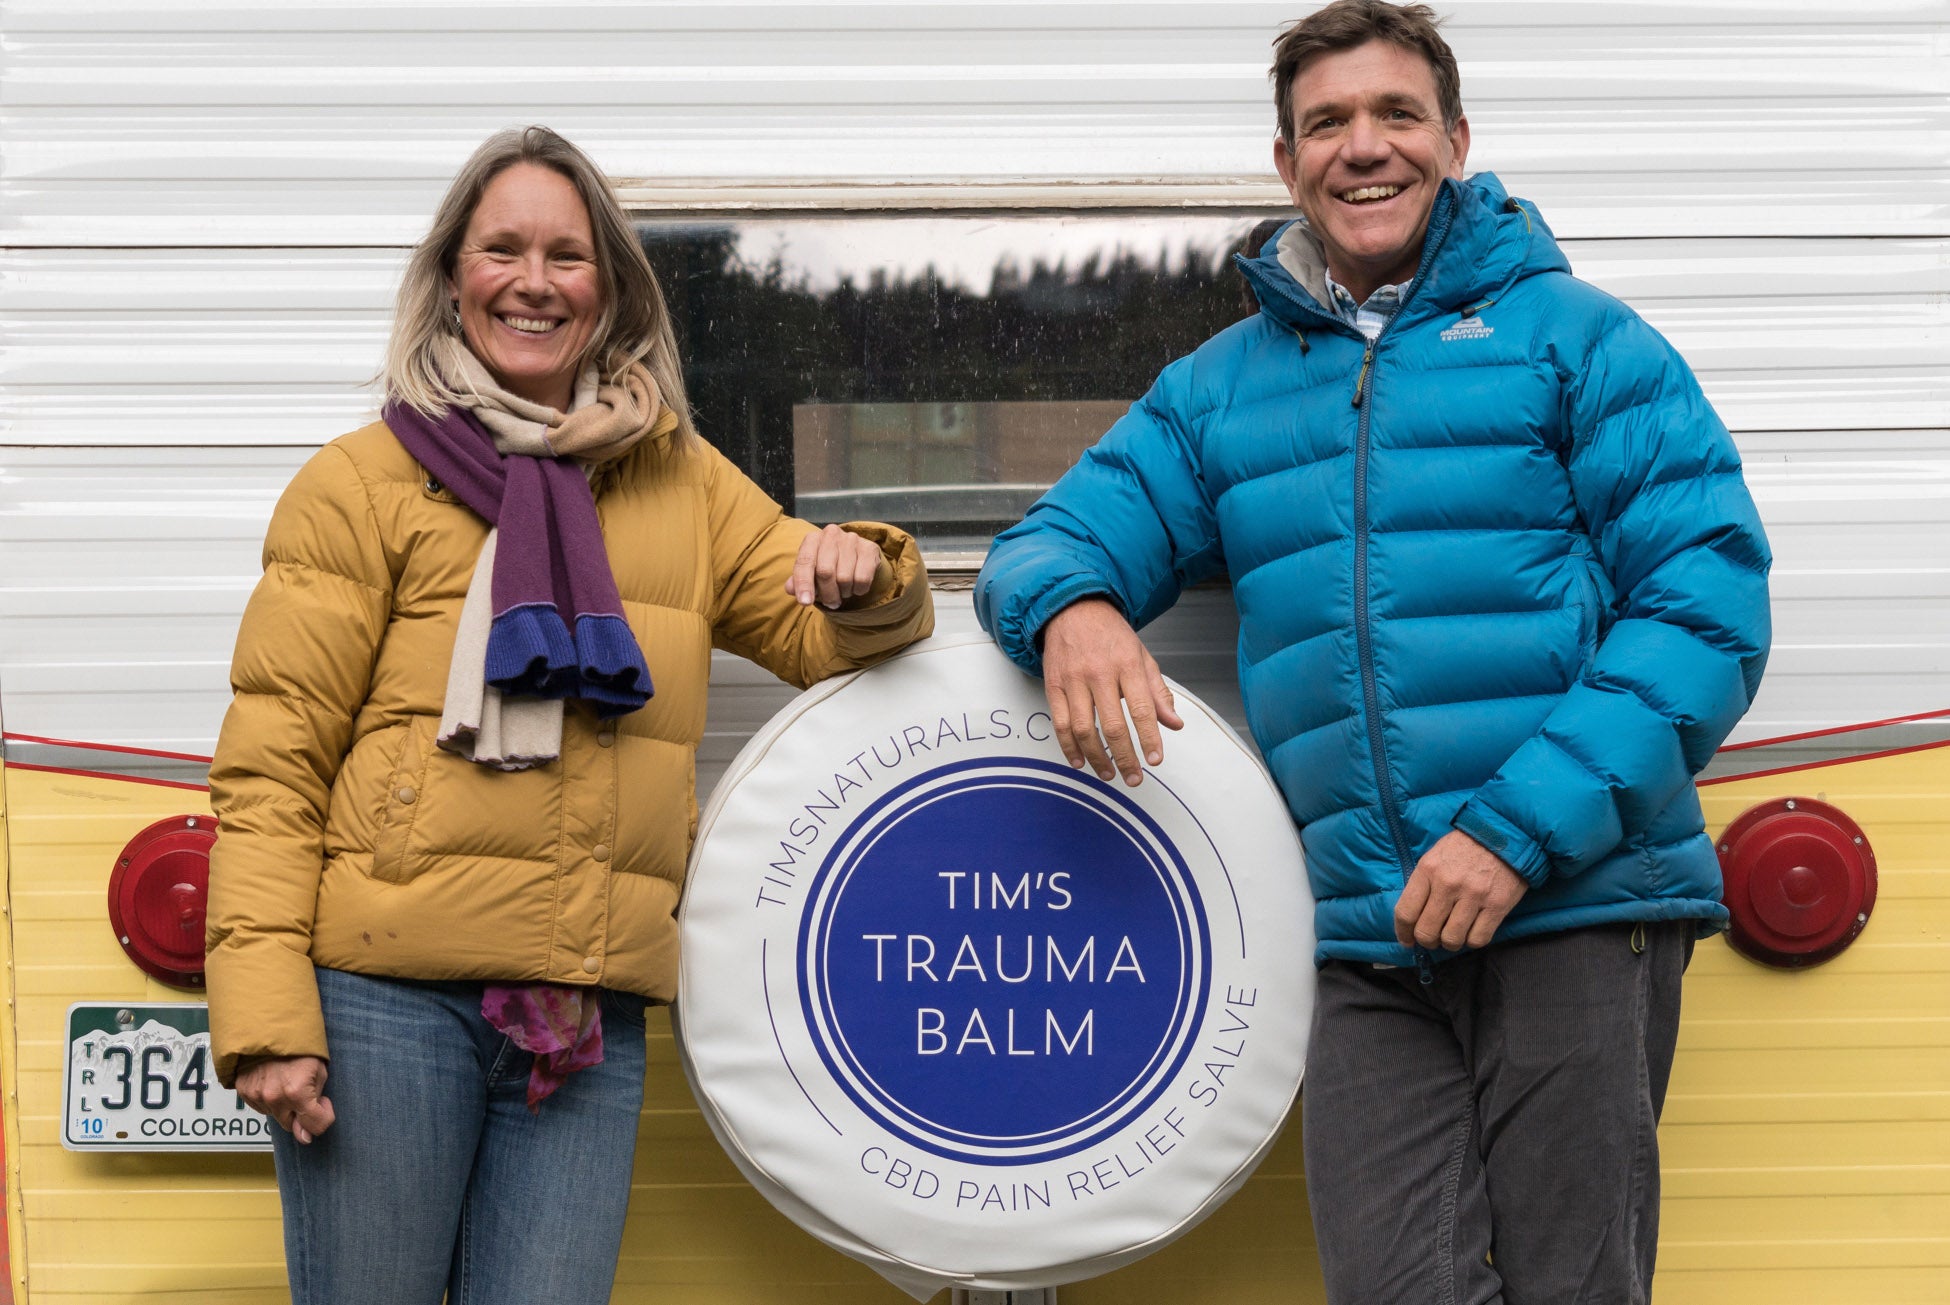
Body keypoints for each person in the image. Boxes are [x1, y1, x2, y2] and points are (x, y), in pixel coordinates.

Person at [975, 3, 1770, 1301]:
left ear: (1455, 141)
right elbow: (1045, 542)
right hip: (1365, 936)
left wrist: (1513, 834)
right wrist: (1073, 608)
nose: (1363, 147)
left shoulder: (1579, 341)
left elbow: (1705, 605)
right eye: (1326, 122)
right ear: (1285, 161)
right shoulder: (1222, 388)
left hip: (1575, 906)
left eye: (1397, 113)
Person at [205, 125, 933, 1304]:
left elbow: (823, 639)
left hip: (579, 1017)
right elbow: (272, 769)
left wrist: (872, 573)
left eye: (567, 255)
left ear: (611, 290)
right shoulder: (361, 486)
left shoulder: (683, 483)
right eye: (502, 250)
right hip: (385, 1005)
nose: (533, 282)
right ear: (453, 276)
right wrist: (267, 1018)